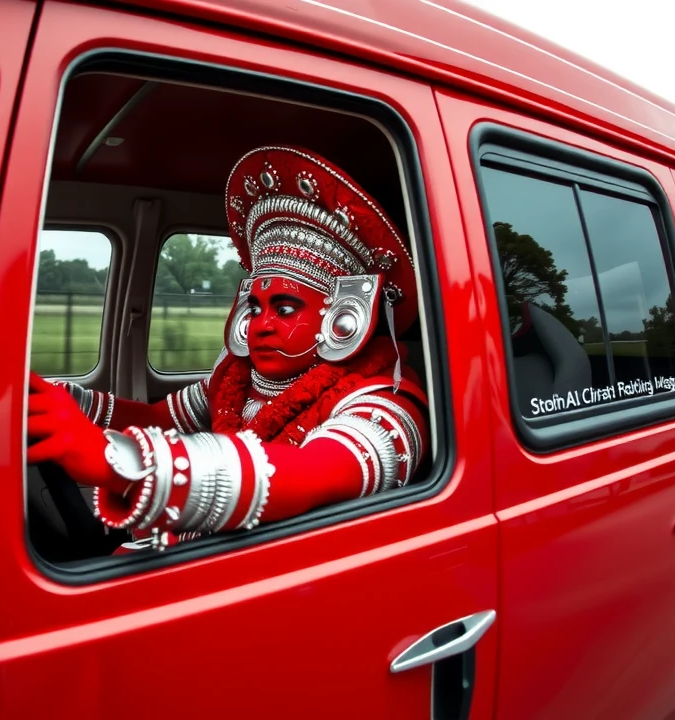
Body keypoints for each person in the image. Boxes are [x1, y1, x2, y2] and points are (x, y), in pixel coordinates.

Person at [26, 145, 428, 551]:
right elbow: (155, 417)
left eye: (285, 308)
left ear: (342, 317)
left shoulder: (386, 407)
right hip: (197, 548)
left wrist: (125, 464)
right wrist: (65, 401)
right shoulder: (236, 378)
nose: (261, 324)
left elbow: (309, 471)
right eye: (255, 306)